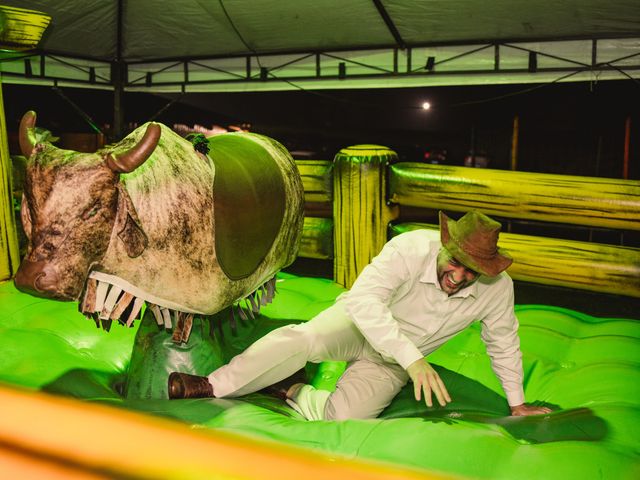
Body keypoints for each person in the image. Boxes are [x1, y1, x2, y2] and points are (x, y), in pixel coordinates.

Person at [168, 210, 551, 420]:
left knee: (345, 418)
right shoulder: (410, 247)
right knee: (304, 339)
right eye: (456, 263)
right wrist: (413, 360)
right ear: (444, 246)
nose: (460, 276)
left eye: (472, 271)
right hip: (359, 326)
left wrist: (516, 403)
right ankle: (213, 384)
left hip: (394, 361)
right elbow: (364, 301)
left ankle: (291, 389)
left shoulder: (497, 288)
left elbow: (503, 341)